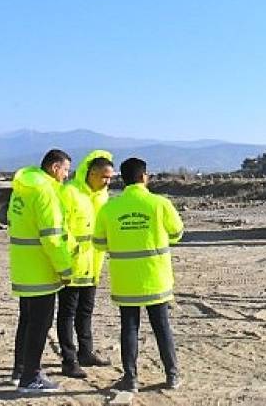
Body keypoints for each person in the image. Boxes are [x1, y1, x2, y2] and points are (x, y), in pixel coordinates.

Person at [94, 157, 183, 392]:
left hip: (125, 280)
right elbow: (177, 233)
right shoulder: (159, 203)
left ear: (122, 179)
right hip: (155, 277)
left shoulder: (109, 208)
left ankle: (130, 378)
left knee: (129, 327)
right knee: (162, 326)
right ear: (144, 177)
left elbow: (99, 243)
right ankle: (172, 375)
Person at [8, 149, 73, 393]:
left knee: (26, 321)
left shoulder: (23, 188)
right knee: (40, 324)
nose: (66, 176)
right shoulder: (46, 192)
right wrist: (65, 269)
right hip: (41, 269)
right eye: (65, 170)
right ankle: (31, 377)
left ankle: (20, 370)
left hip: (24, 267)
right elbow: (52, 238)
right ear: (55, 168)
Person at [56, 150, 114, 378]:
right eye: (103, 177)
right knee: (67, 313)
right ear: (90, 173)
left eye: (110, 178)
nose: (107, 182)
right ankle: (69, 360)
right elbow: (61, 229)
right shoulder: (69, 193)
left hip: (93, 265)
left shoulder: (103, 196)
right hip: (72, 265)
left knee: (86, 311)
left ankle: (86, 352)